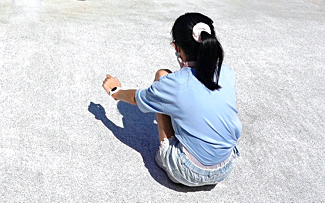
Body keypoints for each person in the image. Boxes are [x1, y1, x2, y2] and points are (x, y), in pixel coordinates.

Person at [102, 13, 241, 188]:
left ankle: (170, 160)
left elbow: (136, 98)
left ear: (176, 47)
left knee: (162, 78)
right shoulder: (226, 73)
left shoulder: (173, 84)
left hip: (188, 171)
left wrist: (115, 91)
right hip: (226, 167)